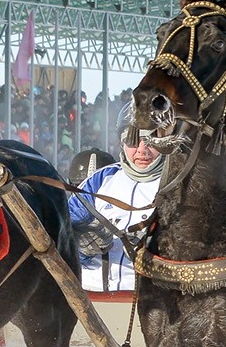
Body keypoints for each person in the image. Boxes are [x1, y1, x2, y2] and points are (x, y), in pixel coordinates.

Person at [67, 122, 164, 292]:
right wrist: (81, 246)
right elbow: (63, 238)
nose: (142, 150)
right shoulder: (100, 179)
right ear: (122, 143)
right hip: (88, 295)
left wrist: (153, 248)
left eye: (151, 140)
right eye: (133, 141)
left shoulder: (179, 184)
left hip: (151, 300)